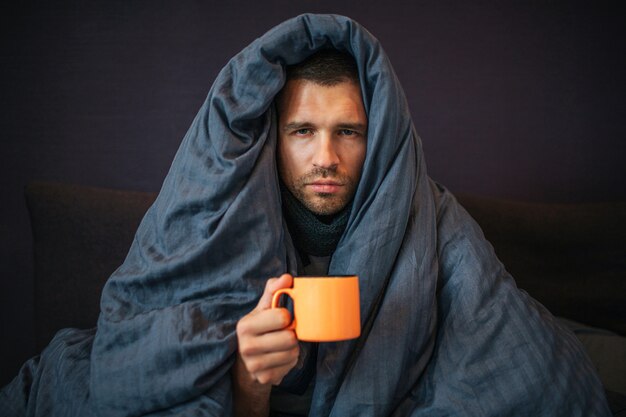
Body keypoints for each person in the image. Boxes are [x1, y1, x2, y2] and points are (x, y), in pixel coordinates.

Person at [0, 14, 612, 417]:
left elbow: (523, 369)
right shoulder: (226, 219)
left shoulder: (430, 219)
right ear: (276, 137)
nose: (326, 157)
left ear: (380, 142)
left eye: (348, 131)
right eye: (303, 131)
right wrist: (246, 382)